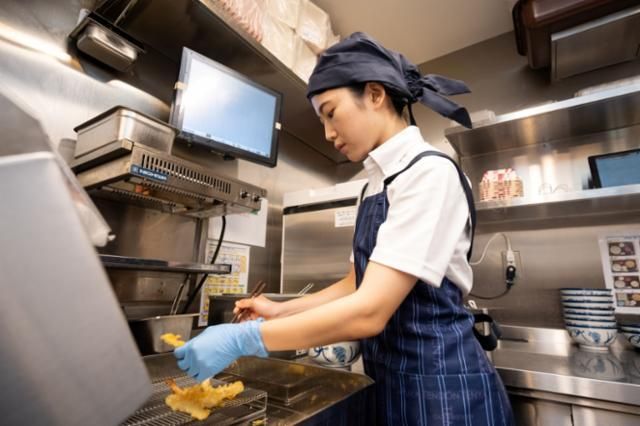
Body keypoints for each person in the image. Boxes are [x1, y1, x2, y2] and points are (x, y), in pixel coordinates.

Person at [174, 32, 514, 425]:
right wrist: (279, 312)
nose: (327, 133)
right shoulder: (372, 185)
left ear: (375, 94)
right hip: (387, 382)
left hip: (445, 393)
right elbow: (357, 284)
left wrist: (244, 339)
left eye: (331, 113)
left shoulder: (429, 173)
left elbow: (369, 311)